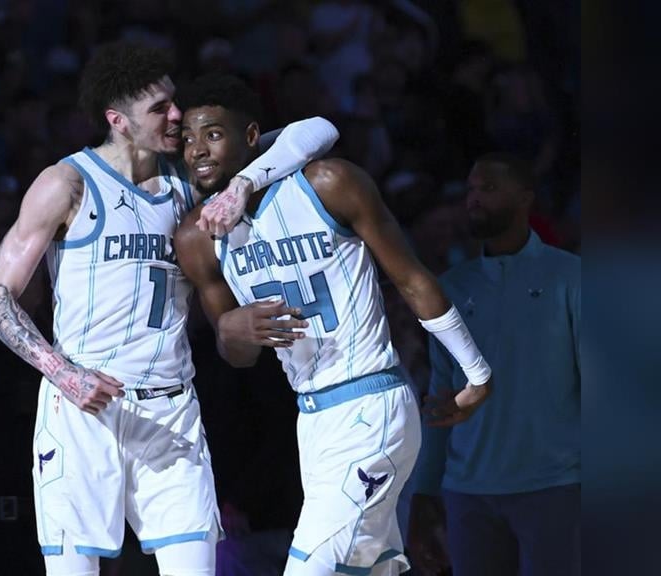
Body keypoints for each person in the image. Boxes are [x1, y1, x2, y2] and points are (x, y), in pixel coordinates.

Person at [0, 43, 339, 575]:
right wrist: (62, 373)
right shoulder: (67, 183)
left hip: (171, 408)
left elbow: (319, 131)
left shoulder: (187, 178)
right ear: (117, 121)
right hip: (82, 409)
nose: (177, 116)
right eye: (160, 109)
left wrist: (243, 184)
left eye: (174, 102)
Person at [171, 74, 493, 576]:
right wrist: (233, 329)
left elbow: (411, 279)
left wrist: (477, 373)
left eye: (212, 134)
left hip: (372, 402)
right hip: (313, 420)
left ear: (252, 136)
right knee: (372, 568)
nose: (197, 150)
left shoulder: (326, 183)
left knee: (310, 568)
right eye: (188, 139)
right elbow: (238, 353)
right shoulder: (196, 237)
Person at [408, 153, 581, 576]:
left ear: (525, 197)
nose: (474, 199)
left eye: (488, 188)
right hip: (467, 492)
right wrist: (424, 493)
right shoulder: (451, 286)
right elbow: (440, 395)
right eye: (470, 189)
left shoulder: (571, 276)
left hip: (555, 486)